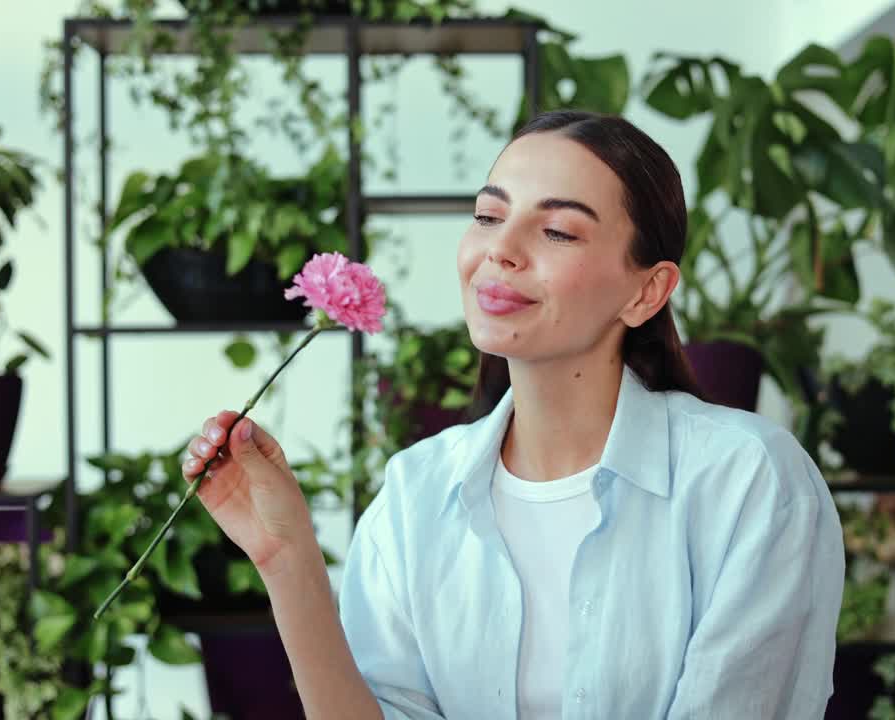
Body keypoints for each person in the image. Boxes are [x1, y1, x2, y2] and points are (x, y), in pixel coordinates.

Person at [182, 110, 845, 719]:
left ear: (648, 291)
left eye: (557, 229)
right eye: (488, 216)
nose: (501, 250)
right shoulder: (416, 493)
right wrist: (286, 557)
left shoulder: (749, 481)